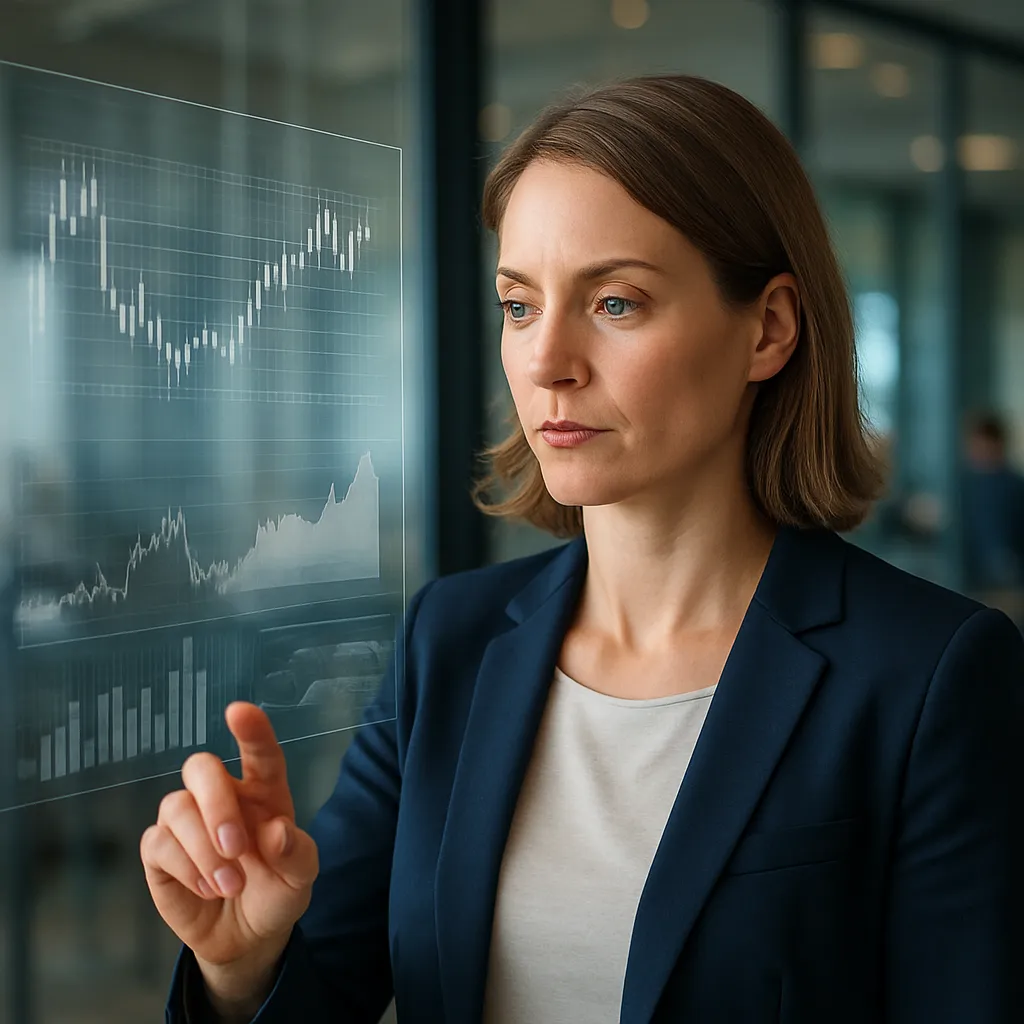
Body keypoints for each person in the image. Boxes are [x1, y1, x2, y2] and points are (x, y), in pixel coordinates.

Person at [143, 75, 1024, 1024]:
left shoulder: (930, 675)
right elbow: (329, 987)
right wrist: (245, 966)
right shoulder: (451, 639)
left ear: (768, 329)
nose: (545, 361)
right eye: (520, 305)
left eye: (615, 302)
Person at [962, 412, 1024, 593]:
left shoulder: (1014, 486)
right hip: (973, 579)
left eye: (984, 444)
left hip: (1010, 582)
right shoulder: (963, 487)